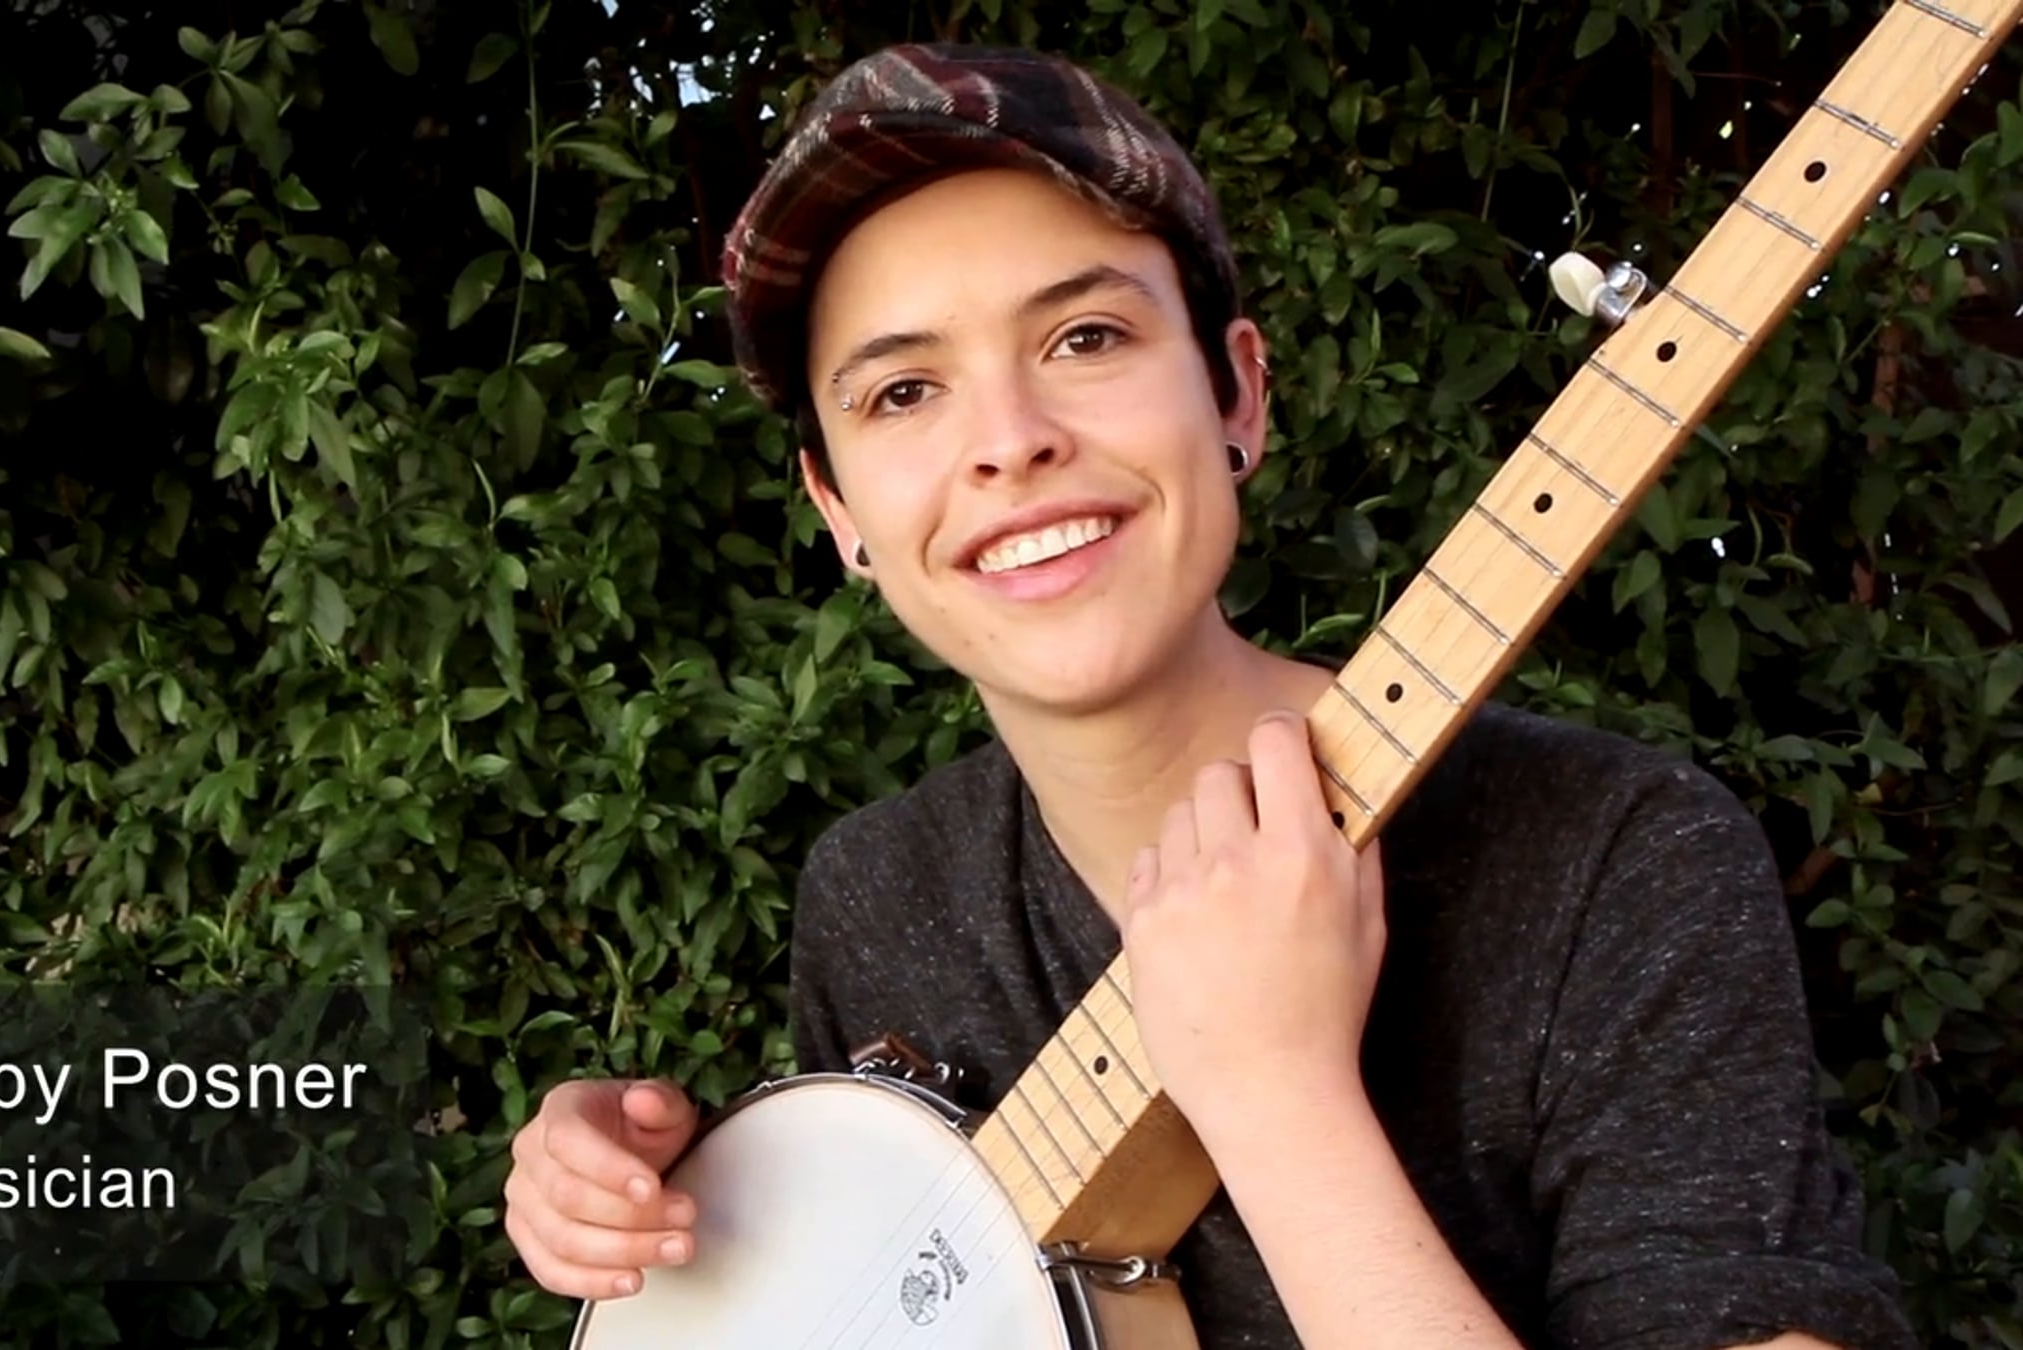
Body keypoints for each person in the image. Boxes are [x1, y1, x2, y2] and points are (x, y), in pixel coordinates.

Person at [500, 41, 1915, 1350]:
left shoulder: (1616, 859)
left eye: (1085, 338)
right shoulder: (878, 892)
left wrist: (1275, 1096)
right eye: (904, 393)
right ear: (839, 511)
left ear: (1237, 395)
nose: (1008, 442)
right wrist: (690, 1219)